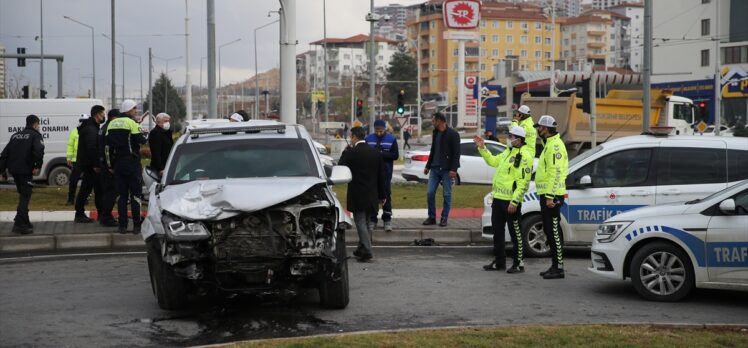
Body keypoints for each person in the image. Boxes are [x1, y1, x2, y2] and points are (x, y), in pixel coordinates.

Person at [475, 126, 531, 273]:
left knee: (515, 234)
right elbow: (493, 161)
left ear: (519, 139)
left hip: (510, 202)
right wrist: (483, 148)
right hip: (498, 199)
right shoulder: (508, 152)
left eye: (511, 136)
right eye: (509, 136)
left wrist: (515, 201)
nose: (509, 138)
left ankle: (519, 264)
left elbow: (523, 182)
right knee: (497, 233)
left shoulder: (524, 155)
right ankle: (500, 262)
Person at [338, 126, 386, 262]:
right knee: (366, 221)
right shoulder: (376, 153)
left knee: (360, 221)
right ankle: (361, 249)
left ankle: (368, 249)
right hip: (372, 194)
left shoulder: (351, 153)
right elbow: (380, 176)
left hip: (357, 193)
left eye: (350, 137)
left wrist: (345, 152)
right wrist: (382, 196)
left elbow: (340, 167)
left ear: (354, 137)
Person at [534, 115, 569, 279]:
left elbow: (556, 173)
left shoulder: (555, 146)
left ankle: (559, 268)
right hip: (547, 195)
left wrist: (550, 196)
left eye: (539, 128)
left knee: (553, 232)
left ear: (546, 129)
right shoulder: (549, 143)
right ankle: (554, 265)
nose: (538, 130)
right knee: (549, 230)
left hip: (552, 196)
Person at [106, 100, 147, 234]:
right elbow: (142, 140)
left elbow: (107, 147)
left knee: (121, 197)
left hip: (118, 164)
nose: (136, 111)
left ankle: (122, 226)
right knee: (135, 196)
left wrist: (110, 165)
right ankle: (136, 226)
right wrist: (145, 133)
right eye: (134, 108)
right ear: (129, 110)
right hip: (132, 163)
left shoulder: (111, 124)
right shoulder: (131, 123)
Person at [0, 115, 45, 234]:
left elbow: (4, 154)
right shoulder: (35, 135)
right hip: (25, 170)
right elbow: (39, 151)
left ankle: (25, 221)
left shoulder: (15, 135)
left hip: (14, 171)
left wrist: (2, 171)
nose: (39, 126)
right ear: (35, 124)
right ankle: (19, 224)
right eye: (38, 124)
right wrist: (37, 166)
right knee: (25, 196)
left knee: (23, 195)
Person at [423, 112, 460, 227]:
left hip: (447, 170)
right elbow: (433, 150)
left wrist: (453, 169)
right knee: (430, 193)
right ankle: (432, 217)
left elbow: (456, 153)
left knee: (447, 194)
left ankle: (444, 218)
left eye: (433, 120)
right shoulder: (436, 133)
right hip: (434, 169)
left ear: (439, 121)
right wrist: (428, 166)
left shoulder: (453, 134)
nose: (432, 122)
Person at [74, 105, 106, 223]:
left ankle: (100, 213)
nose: (104, 116)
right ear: (97, 114)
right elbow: (92, 148)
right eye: (103, 114)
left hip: (89, 164)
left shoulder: (91, 127)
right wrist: (96, 165)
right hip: (91, 165)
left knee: (95, 189)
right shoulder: (91, 129)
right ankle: (80, 214)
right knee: (87, 189)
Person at [365, 119, 398, 232]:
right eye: (377, 131)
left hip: (386, 173)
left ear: (385, 129)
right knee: (372, 196)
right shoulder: (368, 139)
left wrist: (381, 154)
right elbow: (365, 154)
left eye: (381, 131)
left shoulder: (391, 139)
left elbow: (395, 155)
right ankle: (372, 219)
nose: (379, 133)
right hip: (372, 173)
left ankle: (387, 219)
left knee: (386, 196)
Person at [97, 109, 120, 227]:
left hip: (104, 165)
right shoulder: (108, 129)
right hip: (108, 167)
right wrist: (110, 166)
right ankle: (106, 217)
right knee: (111, 192)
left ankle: (105, 215)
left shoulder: (103, 128)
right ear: (113, 118)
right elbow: (107, 150)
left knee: (107, 192)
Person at [65, 114, 88, 205]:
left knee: (86, 181)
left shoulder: (89, 130)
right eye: (81, 120)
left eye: (84, 120)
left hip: (87, 160)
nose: (82, 122)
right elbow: (70, 145)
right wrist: (69, 158)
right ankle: (71, 199)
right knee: (73, 181)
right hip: (76, 160)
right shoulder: (75, 131)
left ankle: (84, 198)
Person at [148, 113, 174, 177]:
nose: (168, 123)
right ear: (158, 122)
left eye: (168, 121)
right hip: (160, 170)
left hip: (168, 166)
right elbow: (156, 153)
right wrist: (161, 169)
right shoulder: (155, 133)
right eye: (165, 121)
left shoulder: (167, 132)